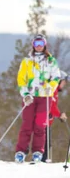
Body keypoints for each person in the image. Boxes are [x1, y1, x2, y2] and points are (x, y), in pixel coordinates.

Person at [15, 34, 61, 163]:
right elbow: (21, 79)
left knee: (40, 125)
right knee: (27, 124)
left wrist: (50, 88)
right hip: (30, 97)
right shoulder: (27, 61)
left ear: (45, 44)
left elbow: (56, 77)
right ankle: (21, 151)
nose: (39, 46)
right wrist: (25, 94)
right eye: (36, 44)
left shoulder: (51, 60)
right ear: (33, 45)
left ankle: (37, 152)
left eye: (41, 43)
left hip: (44, 96)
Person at [43, 71, 68, 162]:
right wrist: (60, 114)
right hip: (43, 121)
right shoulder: (52, 89)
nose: (64, 85)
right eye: (64, 82)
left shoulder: (55, 90)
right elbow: (50, 105)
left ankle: (43, 161)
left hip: (47, 121)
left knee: (47, 145)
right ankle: (42, 162)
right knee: (44, 144)